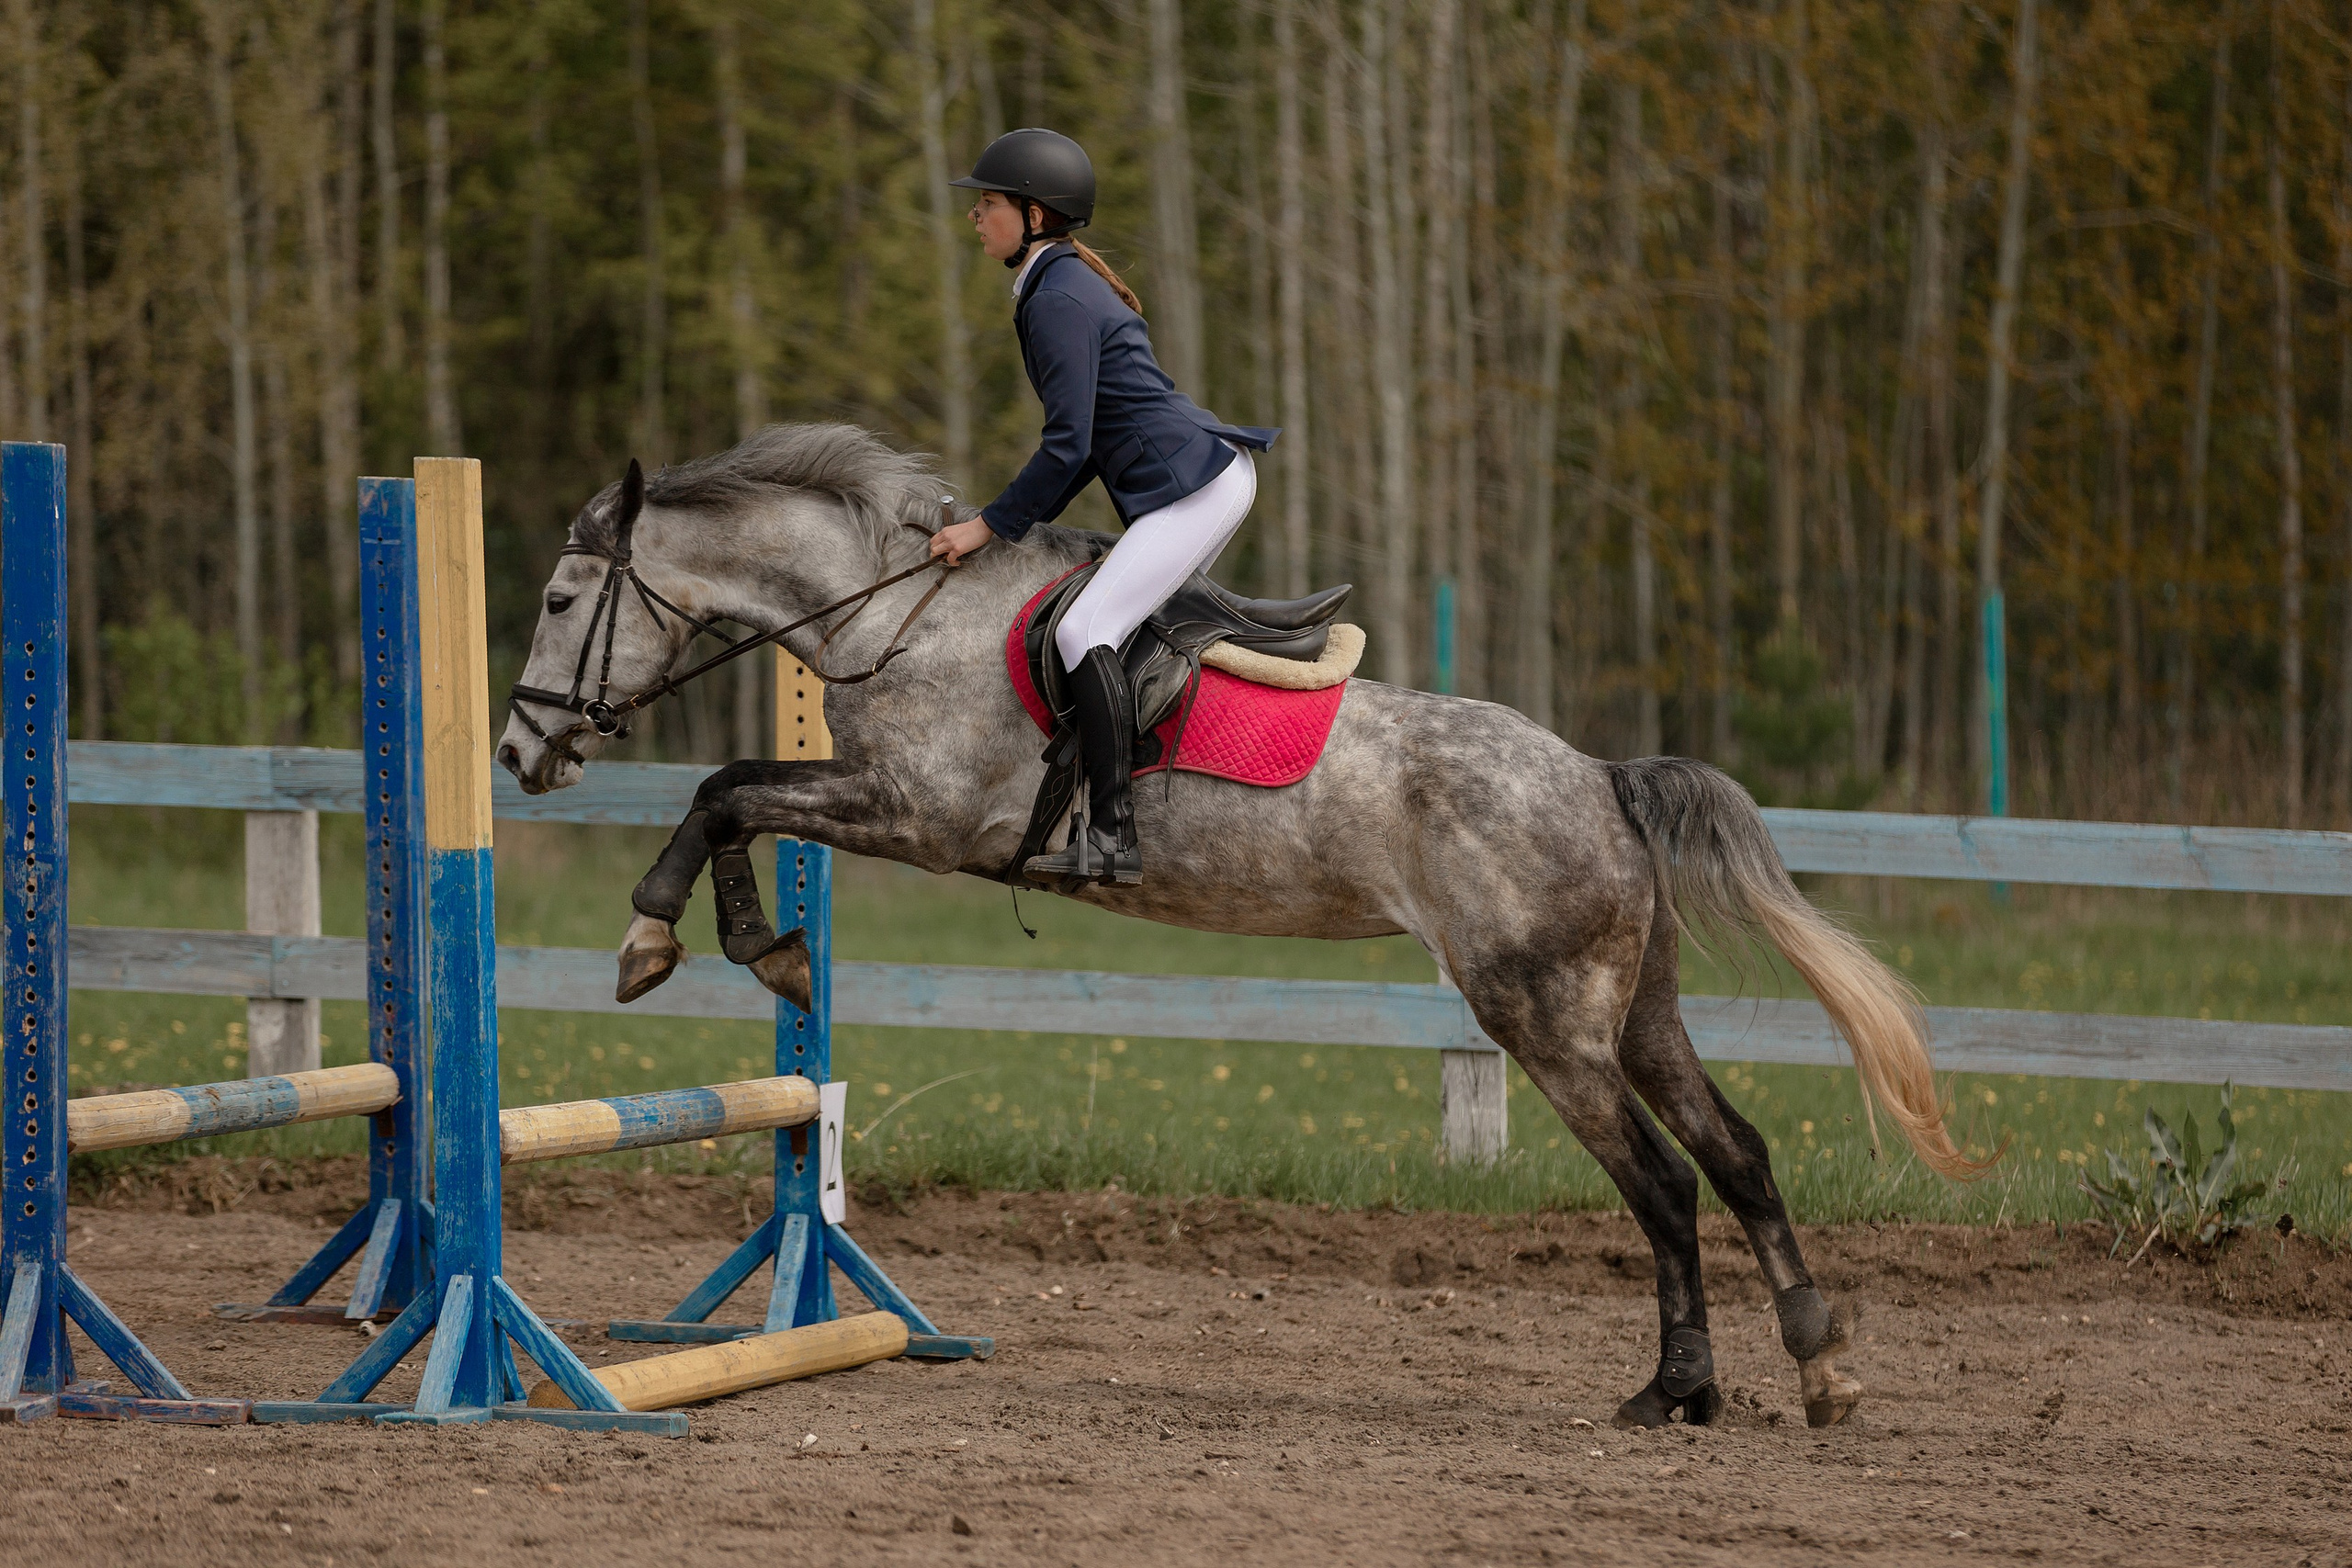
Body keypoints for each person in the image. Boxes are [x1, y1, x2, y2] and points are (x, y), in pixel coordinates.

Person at [933, 128, 1276, 887]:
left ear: (1034, 215)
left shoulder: (1057, 297)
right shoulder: (1053, 286)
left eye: (986, 204)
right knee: (1111, 628)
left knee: (1087, 627)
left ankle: (1115, 832)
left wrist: (986, 526)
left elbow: (1066, 447)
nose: (975, 217)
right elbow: (1080, 447)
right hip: (1197, 481)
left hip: (1197, 488)